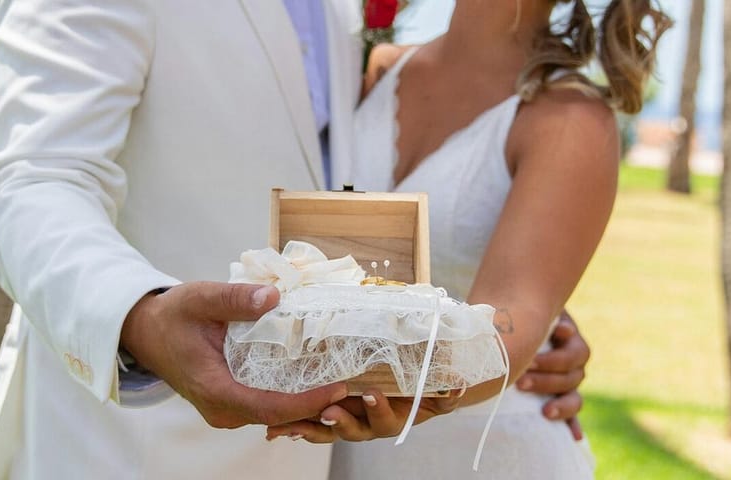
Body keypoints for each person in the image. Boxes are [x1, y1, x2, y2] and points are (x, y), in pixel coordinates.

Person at [0, 0, 592, 478]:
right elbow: (36, 179)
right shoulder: (388, 67)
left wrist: (486, 333)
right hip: (128, 450)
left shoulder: (343, 20)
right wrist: (140, 316)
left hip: (349, 448)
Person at [267, 0, 669, 478]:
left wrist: (513, 343)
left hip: (482, 453)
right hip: (345, 454)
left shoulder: (571, 120)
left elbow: (511, 322)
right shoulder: (375, 71)